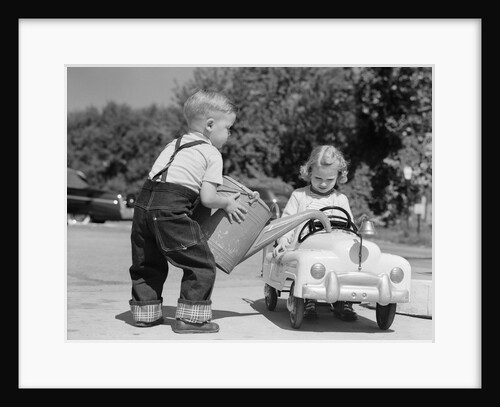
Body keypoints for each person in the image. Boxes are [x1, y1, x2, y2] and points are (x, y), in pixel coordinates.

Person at [128, 89, 258, 334]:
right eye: (228, 128)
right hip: (171, 209)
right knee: (200, 262)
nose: (229, 134)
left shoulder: (173, 144)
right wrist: (228, 203)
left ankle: (145, 313)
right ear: (210, 125)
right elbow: (208, 199)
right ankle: (191, 318)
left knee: (148, 262)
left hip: (143, 207)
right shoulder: (211, 153)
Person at [272, 145, 358, 321]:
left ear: (339, 177)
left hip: (332, 248)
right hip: (304, 245)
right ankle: (308, 300)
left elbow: (349, 227)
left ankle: (344, 301)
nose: (324, 183)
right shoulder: (299, 196)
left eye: (330, 179)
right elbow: (287, 222)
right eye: (318, 178)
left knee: (347, 263)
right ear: (309, 172)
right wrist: (282, 241)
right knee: (309, 264)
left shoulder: (340, 200)